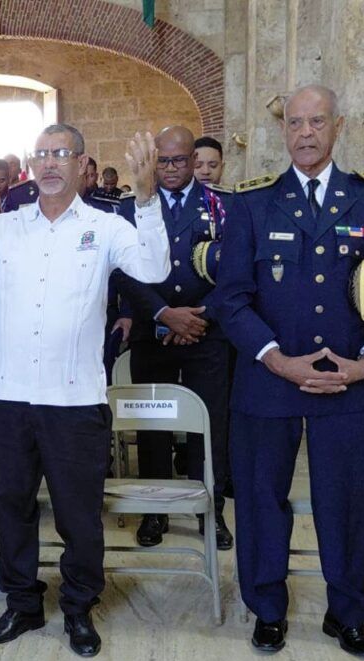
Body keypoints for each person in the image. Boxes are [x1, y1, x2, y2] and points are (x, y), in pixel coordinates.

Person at [0, 124, 170, 657]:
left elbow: (153, 269)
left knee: (79, 513)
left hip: (76, 400)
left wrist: (147, 201)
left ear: (81, 164)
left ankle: (78, 607)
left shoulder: (107, 226)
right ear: (31, 166)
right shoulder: (4, 228)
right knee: (12, 507)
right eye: (42, 154)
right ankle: (22, 604)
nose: (50, 163)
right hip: (11, 397)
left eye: (61, 153)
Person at [216, 84, 364, 657]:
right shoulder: (252, 203)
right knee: (260, 498)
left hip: (348, 383)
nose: (305, 132)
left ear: (338, 126)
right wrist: (276, 358)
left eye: (317, 121)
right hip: (268, 381)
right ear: (284, 131)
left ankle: (347, 612)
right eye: (295, 123)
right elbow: (231, 297)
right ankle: (267, 609)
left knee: (347, 501)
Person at [112, 125, 235, 551]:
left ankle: (210, 509)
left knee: (209, 425)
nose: (169, 168)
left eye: (179, 160)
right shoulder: (129, 208)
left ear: (193, 159)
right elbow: (123, 272)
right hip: (153, 334)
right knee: (154, 427)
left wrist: (199, 318)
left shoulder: (223, 205)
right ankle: (155, 509)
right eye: (161, 160)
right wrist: (164, 314)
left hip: (207, 333)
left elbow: (237, 272)